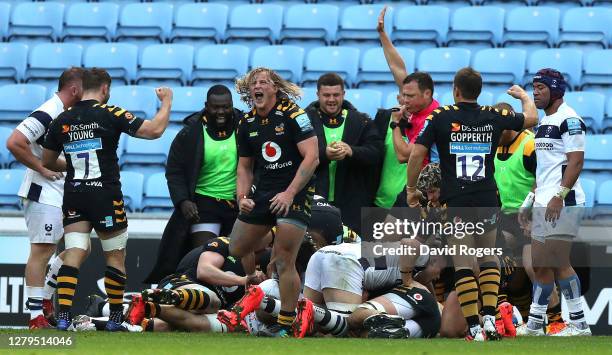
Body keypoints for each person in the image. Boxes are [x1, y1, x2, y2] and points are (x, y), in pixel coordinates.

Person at [405, 67, 538, 341]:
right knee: (489, 256)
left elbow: (417, 153)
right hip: (488, 197)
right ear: (478, 91)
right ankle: (490, 318)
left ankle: (475, 327)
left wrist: (411, 189)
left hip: (458, 200)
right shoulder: (494, 115)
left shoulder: (441, 117)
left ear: (455, 91)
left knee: (464, 262)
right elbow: (533, 118)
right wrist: (524, 97)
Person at [41, 68, 173, 331]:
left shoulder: (63, 118)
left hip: (75, 195)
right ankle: (115, 317)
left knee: (74, 252)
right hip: (105, 195)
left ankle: (64, 315)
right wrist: (167, 101)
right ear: (104, 89)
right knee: (114, 257)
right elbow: (154, 131)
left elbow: (47, 161)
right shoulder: (111, 113)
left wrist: (76, 165)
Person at [224, 67, 319, 338]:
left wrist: (289, 194)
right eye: (254, 83)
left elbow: (312, 158)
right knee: (237, 246)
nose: (258, 86)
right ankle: (273, 231)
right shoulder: (246, 123)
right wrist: (242, 198)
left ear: (274, 89)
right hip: (264, 193)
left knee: (282, 260)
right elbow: (244, 167)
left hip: (295, 193)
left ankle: (287, 325)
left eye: (264, 82)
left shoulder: (293, 116)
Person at [6, 67, 84, 329]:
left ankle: (47, 299)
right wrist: (41, 167)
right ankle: (35, 317)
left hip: (64, 191)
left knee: (81, 247)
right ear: (74, 89)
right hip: (43, 192)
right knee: (42, 251)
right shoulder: (48, 110)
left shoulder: (69, 113)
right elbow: (14, 141)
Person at [517, 68, 591, 337]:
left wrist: (559, 196)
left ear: (556, 90)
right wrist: (530, 200)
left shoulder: (570, 119)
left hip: (563, 201)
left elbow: (576, 161)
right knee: (539, 263)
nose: (535, 92)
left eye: (541, 88)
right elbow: (544, 169)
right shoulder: (545, 122)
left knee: (558, 260)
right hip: (543, 200)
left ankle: (579, 324)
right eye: (534, 87)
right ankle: (536, 323)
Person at [145, 85, 242, 284]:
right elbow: (174, 171)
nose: (221, 112)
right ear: (206, 106)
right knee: (205, 255)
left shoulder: (246, 128)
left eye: (226, 107)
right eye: (216, 107)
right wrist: (183, 201)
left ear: (232, 106)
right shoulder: (190, 133)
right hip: (204, 205)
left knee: (236, 260)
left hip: (238, 205)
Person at [304, 73, 383, 233]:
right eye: (326, 95)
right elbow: (292, 155)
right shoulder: (303, 121)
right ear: (318, 94)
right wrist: (324, 154)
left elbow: (377, 153)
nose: (331, 99)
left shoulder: (362, 121)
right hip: (313, 200)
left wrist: (352, 151)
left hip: (352, 205)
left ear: (344, 94)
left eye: (336, 95)